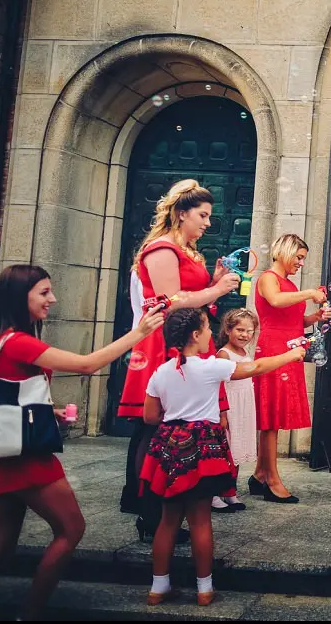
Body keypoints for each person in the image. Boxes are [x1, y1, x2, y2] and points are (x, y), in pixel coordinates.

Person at [0, 265, 164, 621]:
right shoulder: (19, 341)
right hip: (26, 458)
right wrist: (139, 332)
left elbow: (9, 391)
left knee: (0, 545)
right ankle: (29, 614)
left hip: (8, 451)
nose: (52, 299)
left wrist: (47, 411)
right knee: (71, 530)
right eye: (43, 292)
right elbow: (86, 365)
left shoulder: (3, 339)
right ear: (19, 297)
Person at [141, 308, 304, 607]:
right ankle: (204, 590)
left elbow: (150, 417)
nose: (209, 333)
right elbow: (256, 367)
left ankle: (157, 588)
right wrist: (291, 355)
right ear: (195, 335)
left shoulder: (161, 371)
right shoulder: (211, 366)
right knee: (200, 521)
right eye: (206, 328)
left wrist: (178, 418)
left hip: (171, 448)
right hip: (202, 448)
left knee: (168, 521)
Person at [118, 179, 240, 540]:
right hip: (163, 343)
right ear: (181, 213)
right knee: (153, 426)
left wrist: (213, 284)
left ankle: (158, 508)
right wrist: (216, 289)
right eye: (202, 215)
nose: (208, 223)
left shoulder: (185, 251)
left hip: (185, 340)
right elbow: (170, 301)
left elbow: (192, 298)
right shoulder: (161, 249)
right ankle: (147, 514)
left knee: (172, 427)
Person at [252, 234, 331, 504]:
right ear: (285, 252)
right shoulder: (268, 278)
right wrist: (309, 293)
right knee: (271, 419)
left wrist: (315, 317)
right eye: (298, 257)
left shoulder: (289, 283)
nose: (301, 263)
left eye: (303, 259)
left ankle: (259, 474)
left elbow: (294, 319)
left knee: (274, 417)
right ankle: (272, 480)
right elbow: (275, 301)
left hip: (289, 348)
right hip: (274, 349)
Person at [212, 308, 260, 513]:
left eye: (249, 331)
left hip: (243, 406)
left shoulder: (245, 352)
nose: (245, 335)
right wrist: (223, 413)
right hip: (230, 405)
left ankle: (230, 491)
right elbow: (219, 386)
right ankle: (214, 493)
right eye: (240, 330)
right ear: (228, 329)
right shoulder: (224, 354)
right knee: (226, 450)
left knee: (237, 450)